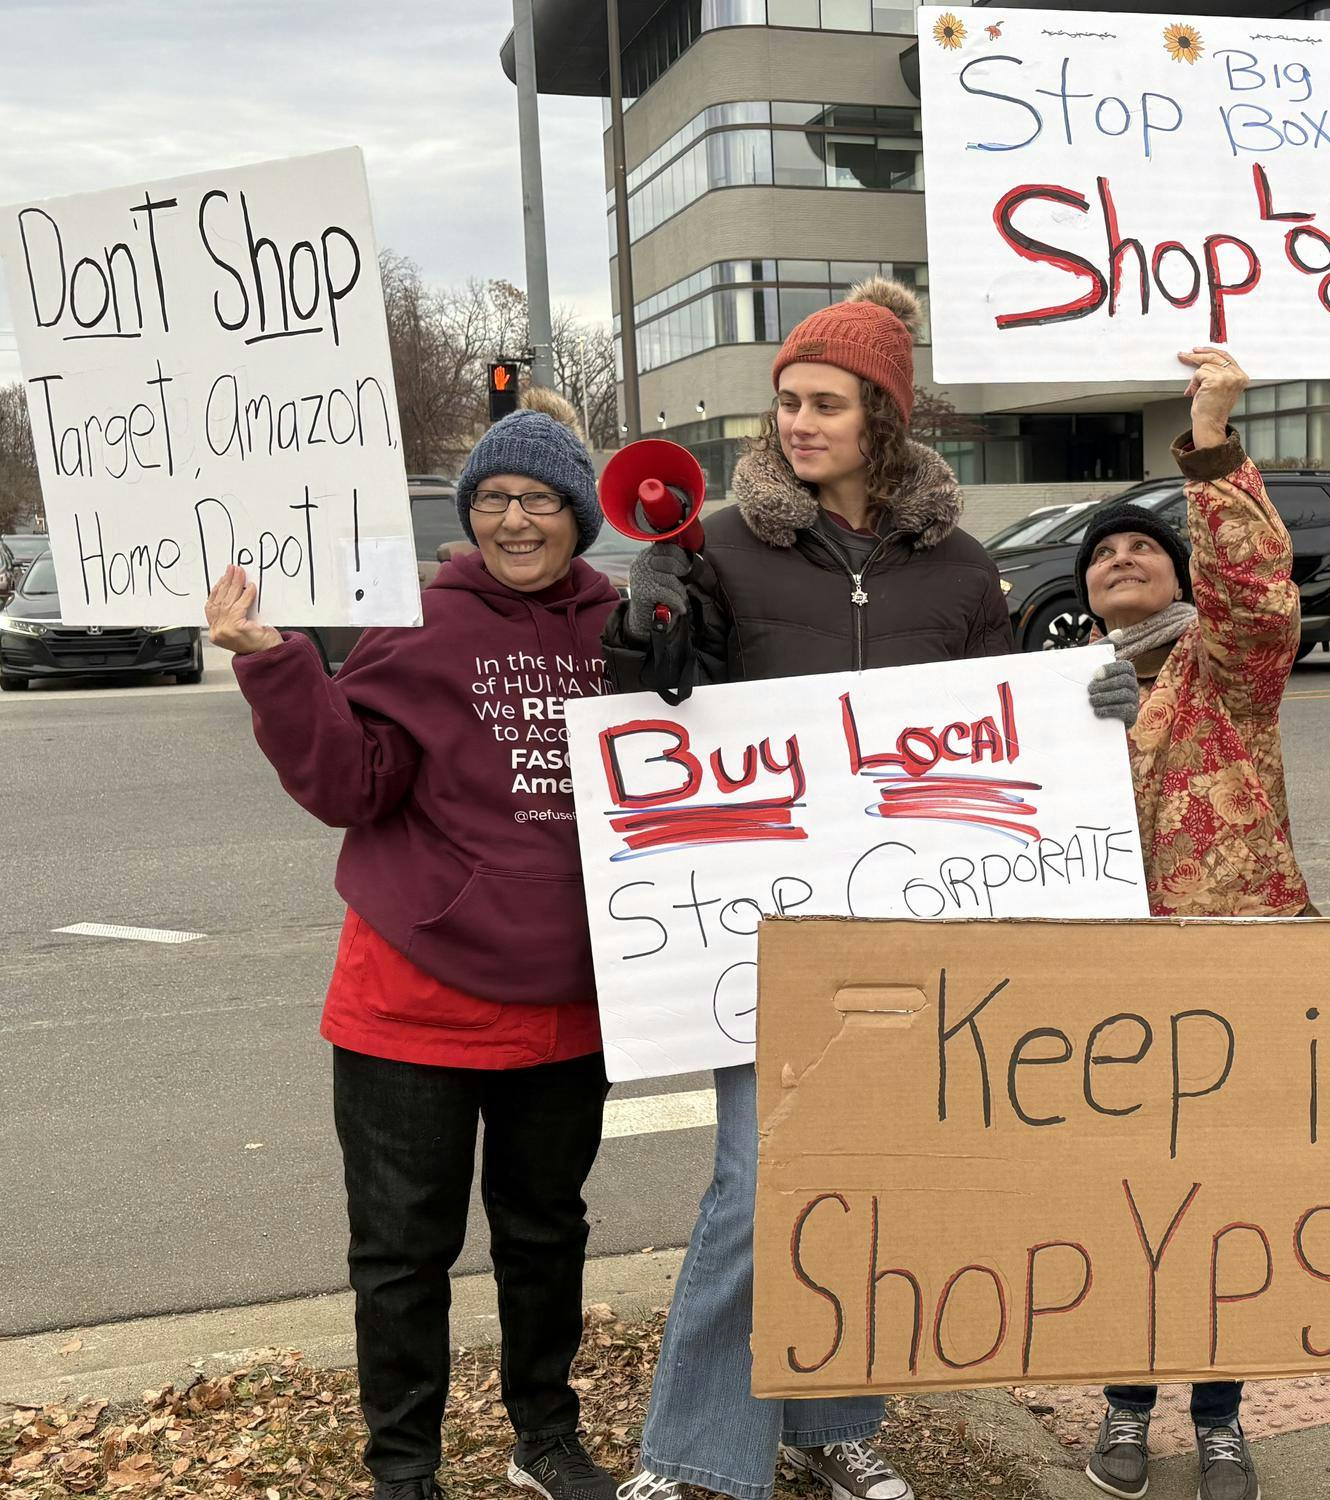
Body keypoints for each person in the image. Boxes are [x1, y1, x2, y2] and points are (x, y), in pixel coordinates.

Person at [607, 279, 1018, 1500]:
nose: (797, 422)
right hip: (759, 932)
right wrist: (646, 640)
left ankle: (829, 1422)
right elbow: (650, 719)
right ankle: (690, 1454)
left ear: (881, 419)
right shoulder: (715, 548)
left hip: (905, 927)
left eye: (825, 403)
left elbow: (1006, 728)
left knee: (865, 1180)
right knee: (753, 1180)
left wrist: (1082, 704)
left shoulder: (959, 568)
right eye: (786, 401)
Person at [206, 410, 627, 1500]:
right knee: (402, 1255)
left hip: (567, 1002)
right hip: (411, 1000)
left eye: (538, 501)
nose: (513, 520)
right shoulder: (416, 618)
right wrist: (278, 664)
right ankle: (405, 1469)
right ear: (467, 513)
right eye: (492, 499)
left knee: (546, 1238)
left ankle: (546, 1437)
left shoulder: (623, 627)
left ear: (577, 514)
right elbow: (351, 781)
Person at [1078, 348, 1311, 1500]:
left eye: (1143, 548)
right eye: (1103, 554)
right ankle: (1123, 1409)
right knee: (1128, 1205)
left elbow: (1259, 598)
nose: (1122, 558)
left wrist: (1211, 445)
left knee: (1222, 1201)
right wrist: (1078, 724)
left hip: (1234, 972)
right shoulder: (1050, 693)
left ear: (1178, 577)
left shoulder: (1228, 672)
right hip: (1107, 989)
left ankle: (1218, 1417)